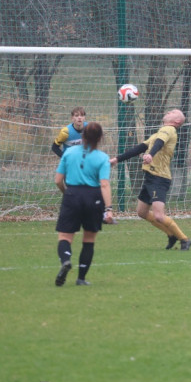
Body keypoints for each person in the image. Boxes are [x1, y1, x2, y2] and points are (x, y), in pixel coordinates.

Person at [110, 109, 191, 250]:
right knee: (142, 212)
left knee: (159, 215)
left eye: (172, 112)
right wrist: (117, 159)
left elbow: (159, 143)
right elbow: (140, 148)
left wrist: (151, 155)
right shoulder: (158, 133)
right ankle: (171, 235)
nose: (168, 111)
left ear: (177, 121)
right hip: (150, 177)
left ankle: (184, 239)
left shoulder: (169, 129)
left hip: (159, 178)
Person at [54, 121, 113, 286]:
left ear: (83, 136)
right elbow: (104, 184)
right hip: (93, 197)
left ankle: (65, 261)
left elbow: (58, 180)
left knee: (65, 236)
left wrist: (67, 193)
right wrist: (108, 209)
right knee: (89, 238)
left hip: (72, 194)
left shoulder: (69, 152)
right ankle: (81, 278)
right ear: (100, 138)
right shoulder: (103, 158)